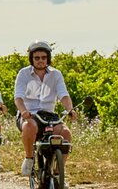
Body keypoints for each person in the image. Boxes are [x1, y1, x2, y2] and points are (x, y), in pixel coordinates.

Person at [14, 40, 76, 176]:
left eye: (43, 57)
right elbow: (18, 97)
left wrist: (69, 109)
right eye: (37, 58)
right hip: (29, 114)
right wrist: (23, 111)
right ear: (32, 59)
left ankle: (58, 173)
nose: (40, 61)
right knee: (30, 126)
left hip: (49, 116)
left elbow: (63, 95)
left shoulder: (56, 74)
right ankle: (29, 158)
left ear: (48, 58)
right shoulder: (23, 74)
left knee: (66, 134)